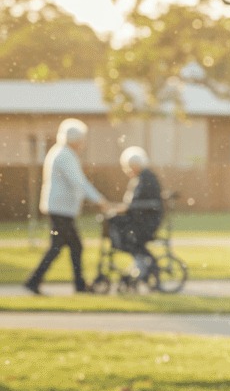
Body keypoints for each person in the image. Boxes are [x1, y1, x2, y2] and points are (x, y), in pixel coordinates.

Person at [24, 118, 110, 295]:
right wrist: (100, 200)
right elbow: (79, 182)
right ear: (75, 140)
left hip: (61, 209)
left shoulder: (62, 152)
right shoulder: (65, 155)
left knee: (73, 247)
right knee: (59, 247)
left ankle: (77, 285)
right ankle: (35, 281)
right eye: (82, 139)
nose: (83, 144)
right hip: (60, 210)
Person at [107, 146, 165, 282]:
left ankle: (146, 265)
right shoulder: (143, 177)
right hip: (143, 220)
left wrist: (124, 208)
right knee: (127, 237)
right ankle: (146, 265)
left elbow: (139, 203)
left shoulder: (145, 178)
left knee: (124, 237)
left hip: (145, 222)